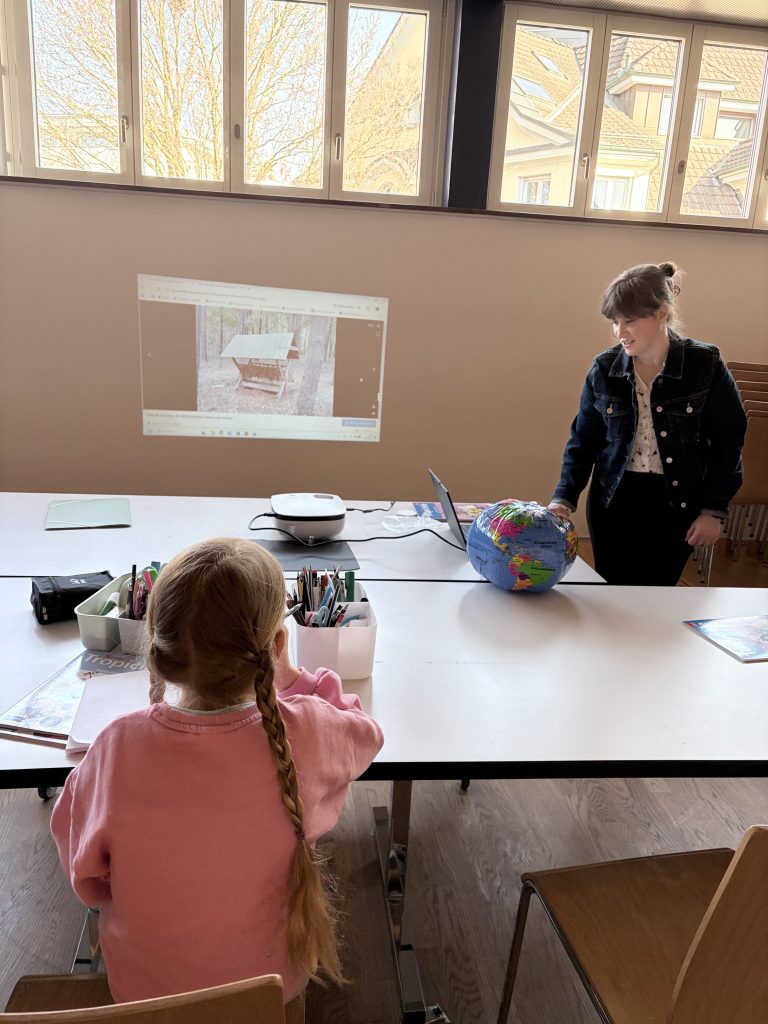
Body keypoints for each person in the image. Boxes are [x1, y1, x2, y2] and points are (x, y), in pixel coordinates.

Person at [51, 537, 384, 1011]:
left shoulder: (115, 746)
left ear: (160, 646)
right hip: (270, 989)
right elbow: (366, 733)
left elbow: (85, 877)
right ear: (277, 646)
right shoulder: (305, 731)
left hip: (143, 996)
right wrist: (295, 678)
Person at [549, 262, 747, 585]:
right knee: (612, 593)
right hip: (613, 503)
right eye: (614, 322)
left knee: (658, 595)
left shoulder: (704, 365)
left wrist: (713, 510)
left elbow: (729, 443)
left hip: (677, 504)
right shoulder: (604, 369)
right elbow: (583, 441)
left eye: (629, 321)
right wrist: (563, 499)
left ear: (662, 313)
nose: (619, 332)